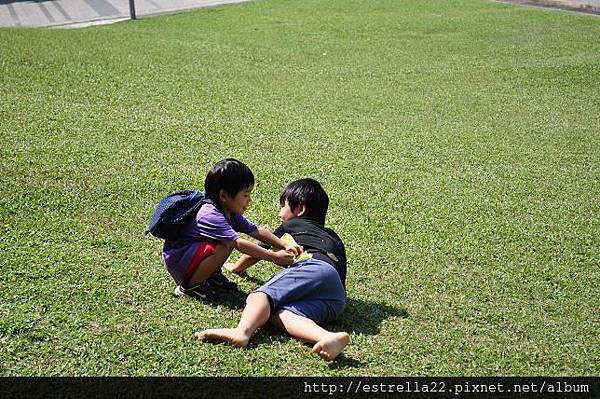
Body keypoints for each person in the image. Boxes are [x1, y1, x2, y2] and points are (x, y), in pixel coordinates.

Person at [195, 178, 350, 361]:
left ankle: (242, 332)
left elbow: (257, 252)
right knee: (280, 315)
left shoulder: (290, 226)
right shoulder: (332, 235)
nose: (279, 213)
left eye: (283, 206)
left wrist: (236, 267)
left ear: (300, 209)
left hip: (313, 266)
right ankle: (326, 337)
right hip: (336, 294)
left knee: (261, 296)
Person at [162, 158, 302, 300]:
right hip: (179, 259)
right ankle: (189, 288)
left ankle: (210, 277)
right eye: (245, 195)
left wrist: (284, 244)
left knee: (225, 243)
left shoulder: (227, 210)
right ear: (224, 196)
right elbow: (239, 243)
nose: (249, 200)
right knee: (224, 245)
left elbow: (255, 230)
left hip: (190, 255)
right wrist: (273, 257)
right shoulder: (210, 214)